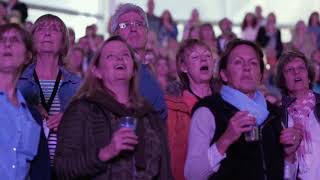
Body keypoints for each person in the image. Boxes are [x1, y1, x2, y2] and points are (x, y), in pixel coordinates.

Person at [54, 36, 172, 180]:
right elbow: (62, 168)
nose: (120, 59)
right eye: (110, 56)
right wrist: (106, 152)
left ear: (134, 70)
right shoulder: (82, 110)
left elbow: (164, 172)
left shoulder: (150, 115)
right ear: (97, 71)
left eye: (125, 55)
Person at [184, 39, 302, 180]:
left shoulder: (276, 114)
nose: (247, 67)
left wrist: (289, 155)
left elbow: (287, 176)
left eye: (253, 63)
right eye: (238, 62)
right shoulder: (207, 111)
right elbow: (192, 175)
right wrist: (225, 140)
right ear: (224, 75)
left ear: (260, 75)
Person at [17, 14, 81, 176]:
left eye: (54, 29)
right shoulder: (17, 82)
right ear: (31, 41)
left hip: (68, 169)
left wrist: (69, 120)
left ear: (63, 42)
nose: (47, 33)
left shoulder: (79, 85)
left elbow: (89, 131)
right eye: (41, 29)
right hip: (28, 170)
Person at [0, 23, 50, 180]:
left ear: (28, 56)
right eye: (1, 40)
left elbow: (41, 170)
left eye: (14, 40)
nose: (7, 44)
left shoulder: (33, 116)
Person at [166, 39, 217, 180]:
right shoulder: (173, 107)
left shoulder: (225, 102)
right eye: (195, 57)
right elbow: (171, 156)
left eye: (207, 56)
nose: (203, 60)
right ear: (184, 67)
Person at [110, 3, 167, 121]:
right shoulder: (107, 71)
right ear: (115, 34)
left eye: (139, 24)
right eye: (125, 25)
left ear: (147, 33)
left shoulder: (150, 76)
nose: (133, 28)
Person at [275, 50, 320, 180]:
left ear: (309, 76)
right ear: (283, 81)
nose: (296, 72)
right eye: (289, 70)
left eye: (301, 68)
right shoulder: (277, 115)